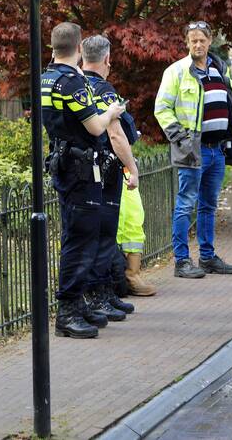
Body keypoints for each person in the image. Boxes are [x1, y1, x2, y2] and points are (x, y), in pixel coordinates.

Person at [42, 22, 126, 338]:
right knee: (81, 240)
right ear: (79, 49)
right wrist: (112, 112)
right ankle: (69, 310)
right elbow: (94, 127)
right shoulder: (72, 84)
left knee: (74, 237)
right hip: (80, 169)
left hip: (63, 164)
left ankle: (77, 306)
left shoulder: (45, 79)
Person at [154, 20, 232, 279]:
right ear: (186, 43)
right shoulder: (177, 71)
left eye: (202, 40)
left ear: (210, 40)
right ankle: (182, 261)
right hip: (193, 150)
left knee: (208, 205)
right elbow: (162, 108)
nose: (198, 44)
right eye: (193, 40)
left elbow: (231, 106)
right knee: (185, 205)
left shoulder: (218, 69)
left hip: (216, 151)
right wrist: (181, 139)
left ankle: (207, 257)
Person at [80, 35, 140, 318]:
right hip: (106, 171)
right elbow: (116, 135)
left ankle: (103, 292)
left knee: (96, 234)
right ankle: (99, 295)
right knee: (104, 235)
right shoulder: (104, 90)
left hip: (85, 171)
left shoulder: (77, 86)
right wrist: (132, 168)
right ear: (106, 59)